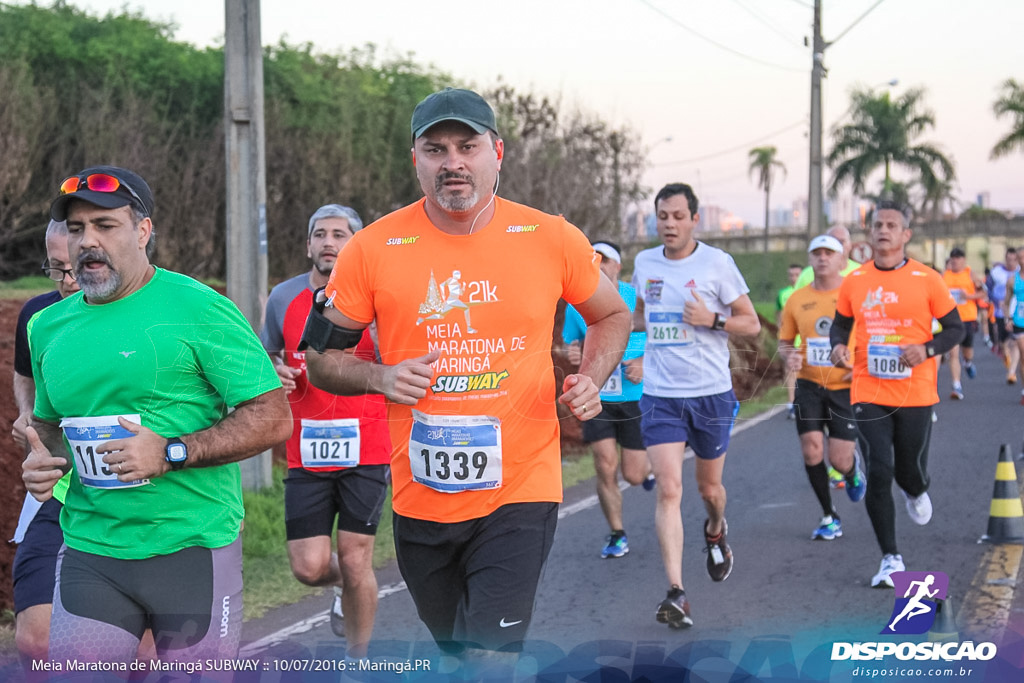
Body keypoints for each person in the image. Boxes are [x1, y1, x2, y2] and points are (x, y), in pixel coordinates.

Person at [303, 88, 631, 669]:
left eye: (467, 146)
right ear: (416, 160)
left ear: (496, 152)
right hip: (421, 496)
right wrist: (379, 375)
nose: (453, 160)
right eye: (436, 148)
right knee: (456, 654)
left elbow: (612, 313)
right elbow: (322, 357)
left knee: (491, 658)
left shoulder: (549, 237)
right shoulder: (372, 248)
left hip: (520, 487)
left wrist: (592, 375)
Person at [21, 165, 291, 668]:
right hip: (90, 550)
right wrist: (42, 459)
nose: (87, 242)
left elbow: (273, 418)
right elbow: (51, 427)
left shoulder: (199, 308)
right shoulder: (47, 326)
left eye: (106, 226)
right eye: (77, 228)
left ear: (143, 231)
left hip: (190, 547)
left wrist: (170, 451)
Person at [259, 204, 391, 656]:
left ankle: (359, 660)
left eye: (340, 234)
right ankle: (343, 588)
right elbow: (266, 357)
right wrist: (275, 370)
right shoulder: (283, 297)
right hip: (306, 451)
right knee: (309, 567)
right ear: (308, 244)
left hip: (369, 446)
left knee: (357, 560)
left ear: (357, 243)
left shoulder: (379, 296)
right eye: (320, 234)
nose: (329, 242)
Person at [631, 182, 761, 629]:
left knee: (709, 491)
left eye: (677, 216)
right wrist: (632, 351)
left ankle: (715, 530)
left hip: (710, 393)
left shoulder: (717, 264)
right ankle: (676, 592)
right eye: (662, 216)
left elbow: (751, 323)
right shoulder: (644, 263)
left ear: (694, 220)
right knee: (669, 489)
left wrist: (713, 320)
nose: (669, 224)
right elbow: (641, 318)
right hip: (661, 396)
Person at [830, 200, 963, 588]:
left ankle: (917, 488)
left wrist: (927, 349)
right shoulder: (855, 281)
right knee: (879, 470)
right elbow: (840, 326)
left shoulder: (927, 279)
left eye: (891, 225)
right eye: (877, 225)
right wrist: (838, 346)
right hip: (867, 387)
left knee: (908, 471)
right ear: (869, 233)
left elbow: (956, 329)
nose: (883, 230)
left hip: (916, 390)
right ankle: (890, 558)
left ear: (906, 234)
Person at [11, 220, 79, 674]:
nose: (69, 282)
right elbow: (24, 374)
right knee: (36, 642)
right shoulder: (38, 317)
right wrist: (27, 414)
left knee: (146, 653)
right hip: (58, 492)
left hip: (141, 504)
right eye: (57, 271)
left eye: (77, 268)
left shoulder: (153, 312)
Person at [562, 240, 652, 559]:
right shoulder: (577, 302)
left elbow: (665, 339)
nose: (599, 265)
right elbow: (571, 343)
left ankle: (650, 468)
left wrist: (644, 363)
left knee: (634, 474)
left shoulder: (635, 298)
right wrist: (573, 351)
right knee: (604, 463)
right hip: (597, 392)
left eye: (606, 260)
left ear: (618, 266)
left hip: (634, 396)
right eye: (593, 260)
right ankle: (617, 533)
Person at [778, 234, 866, 542]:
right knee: (812, 449)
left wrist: (860, 366)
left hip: (845, 385)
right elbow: (785, 341)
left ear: (843, 260)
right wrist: (788, 354)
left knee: (840, 460)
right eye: (817, 253)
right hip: (809, 384)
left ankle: (853, 472)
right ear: (810, 259)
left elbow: (872, 336)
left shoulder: (855, 296)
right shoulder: (797, 299)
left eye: (830, 253)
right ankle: (829, 515)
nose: (823, 258)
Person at [942, 247, 986, 399]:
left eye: (958, 258)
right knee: (953, 353)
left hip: (968, 318)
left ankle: (968, 363)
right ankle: (956, 386)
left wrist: (969, 296)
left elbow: (983, 293)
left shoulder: (970, 274)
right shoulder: (944, 276)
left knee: (967, 353)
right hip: (951, 320)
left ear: (963, 260)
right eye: (952, 258)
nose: (955, 261)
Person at [792, 224, 861, 290]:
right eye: (833, 241)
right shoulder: (806, 275)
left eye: (841, 241)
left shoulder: (861, 271)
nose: (837, 245)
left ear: (850, 245)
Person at [776, 263, 803, 420]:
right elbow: (780, 317)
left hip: (806, 339)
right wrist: (781, 338)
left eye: (797, 275)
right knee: (790, 371)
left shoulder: (807, 292)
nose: (793, 278)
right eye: (791, 275)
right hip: (790, 339)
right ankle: (792, 404)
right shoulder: (783, 294)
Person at [989, 247, 1019, 382]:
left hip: (1017, 313)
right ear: (1005, 259)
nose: (1012, 262)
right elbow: (988, 289)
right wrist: (996, 301)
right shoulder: (996, 273)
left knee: (1015, 342)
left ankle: (1012, 372)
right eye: (1009, 259)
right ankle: (1006, 356)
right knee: (1003, 342)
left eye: (1014, 259)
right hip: (1000, 312)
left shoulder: (1020, 273)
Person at [1003, 251, 1024, 404]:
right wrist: (1008, 318)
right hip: (1019, 321)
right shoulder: (1012, 280)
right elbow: (1006, 302)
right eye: (1021, 257)